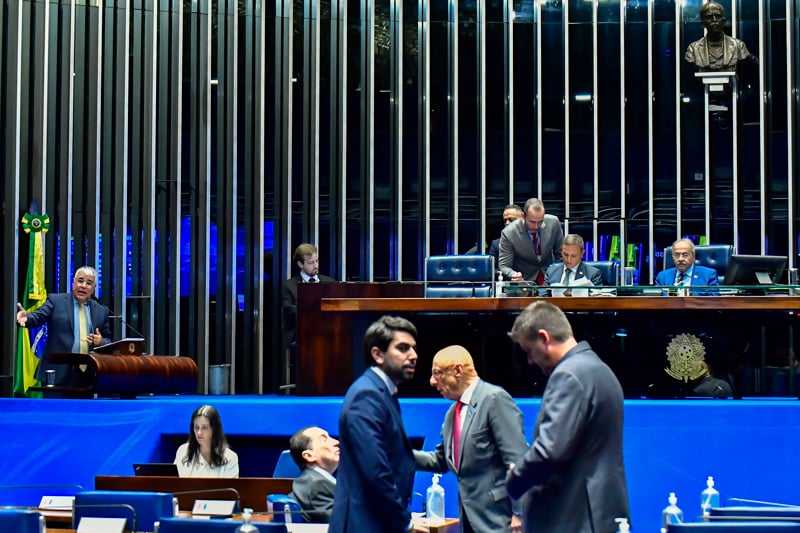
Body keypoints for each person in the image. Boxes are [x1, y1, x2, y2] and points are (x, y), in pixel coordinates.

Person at [505, 301, 629, 533]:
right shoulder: (599, 369)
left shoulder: (569, 375)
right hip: (599, 515)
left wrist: (514, 479)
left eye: (529, 350)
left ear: (544, 338)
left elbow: (549, 452)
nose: (530, 361)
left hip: (573, 518)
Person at [414, 345, 528, 533]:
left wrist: (519, 512)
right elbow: (440, 460)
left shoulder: (494, 399)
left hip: (501, 519)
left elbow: (517, 458)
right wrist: (399, 452)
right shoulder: (453, 413)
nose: (432, 381)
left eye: (437, 373)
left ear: (458, 371)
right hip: (469, 520)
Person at [329, 315, 424, 533]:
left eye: (414, 348)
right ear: (378, 354)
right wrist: (404, 523)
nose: (413, 356)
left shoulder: (382, 393)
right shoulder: (366, 396)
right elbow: (375, 470)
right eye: (403, 348)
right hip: (363, 524)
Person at [15, 266, 112, 387]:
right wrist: (26, 318)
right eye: (80, 281)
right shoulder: (56, 301)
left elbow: (109, 341)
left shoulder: (101, 311)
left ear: (94, 288)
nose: (83, 286)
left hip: (86, 376)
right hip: (56, 372)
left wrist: (101, 341)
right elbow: (38, 317)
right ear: (73, 283)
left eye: (89, 283)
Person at [281, 244, 335, 349]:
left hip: (328, 335)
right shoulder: (289, 286)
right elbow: (289, 310)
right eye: (311, 263)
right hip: (300, 338)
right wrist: (314, 311)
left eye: (316, 261)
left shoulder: (330, 282)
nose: (316, 266)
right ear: (300, 264)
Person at [498, 198, 563, 284]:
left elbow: (561, 255)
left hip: (550, 278)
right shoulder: (509, 233)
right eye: (532, 222)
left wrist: (557, 273)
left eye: (540, 222)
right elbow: (504, 266)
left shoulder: (554, 223)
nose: (536, 226)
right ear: (523, 216)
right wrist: (513, 274)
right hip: (524, 281)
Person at [288, 426, 340, 523]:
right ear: (309, 456)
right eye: (324, 439)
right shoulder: (318, 484)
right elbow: (341, 523)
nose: (336, 442)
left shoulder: (310, 480)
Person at [685, 2, 753, 71]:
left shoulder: (738, 46)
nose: (714, 20)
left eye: (718, 16)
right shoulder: (693, 49)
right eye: (709, 17)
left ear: (724, 21)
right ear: (702, 23)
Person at [174, 405, 239, 478]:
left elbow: (230, 485)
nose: (199, 432)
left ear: (214, 429)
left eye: (204, 427)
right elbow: (173, 483)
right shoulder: (183, 451)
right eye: (196, 427)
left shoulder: (230, 457)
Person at [655, 239, 719, 293]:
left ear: (693, 256)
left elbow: (714, 301)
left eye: (685, 255)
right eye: (677, 255)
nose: (680, 259)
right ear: (672, 256)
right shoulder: (662, 276)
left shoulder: (708, 275)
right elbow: (655, 301)